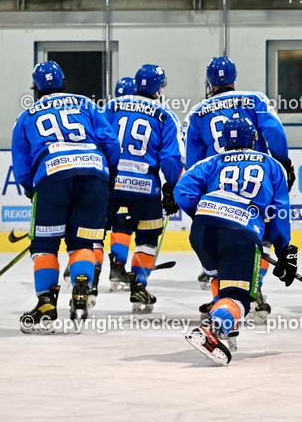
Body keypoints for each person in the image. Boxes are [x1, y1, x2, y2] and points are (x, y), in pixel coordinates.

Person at [177, 117, 297, 365]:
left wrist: (203, 214)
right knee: (241, 297)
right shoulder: (272, 165)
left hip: (203, 230)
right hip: (241, 233)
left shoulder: (210, 161)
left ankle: (224, 321)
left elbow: (182, 190)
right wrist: (283, 248)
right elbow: (279, 211)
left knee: (219, 277)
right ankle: (214, 328)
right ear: (253, 140)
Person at [11, 61, 120, 333]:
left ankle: (46, 307)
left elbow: (22, 166)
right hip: (94, 174)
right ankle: (81, 289)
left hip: (52, 176)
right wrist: (109, 173)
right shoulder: (86, 104)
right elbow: (110, 142)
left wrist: (31, 189)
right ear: (64, 82)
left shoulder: (25, 116)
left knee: (44, 246)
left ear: (35, 88)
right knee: (83, 241)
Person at [184, 56, 294, 312]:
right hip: (256, 182)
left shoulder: (198, 111)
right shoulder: (255, 99)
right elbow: (274, 131)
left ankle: (223, 298)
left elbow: (192, 160)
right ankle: (252, 287)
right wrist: (282, 161)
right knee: (261, 237)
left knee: (221, 241)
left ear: (209, 82)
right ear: (234, 77)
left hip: (218, 183)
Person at [103, 64, 185, 312]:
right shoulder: (165, 115)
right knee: (147, 238)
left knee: (93, 234)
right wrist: (172, 187)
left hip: (111, 183)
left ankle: (85, 287)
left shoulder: (111, 106)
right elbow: (171, 159)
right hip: (146, 188)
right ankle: (139, 286)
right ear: (159, 88)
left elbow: (98, 141)